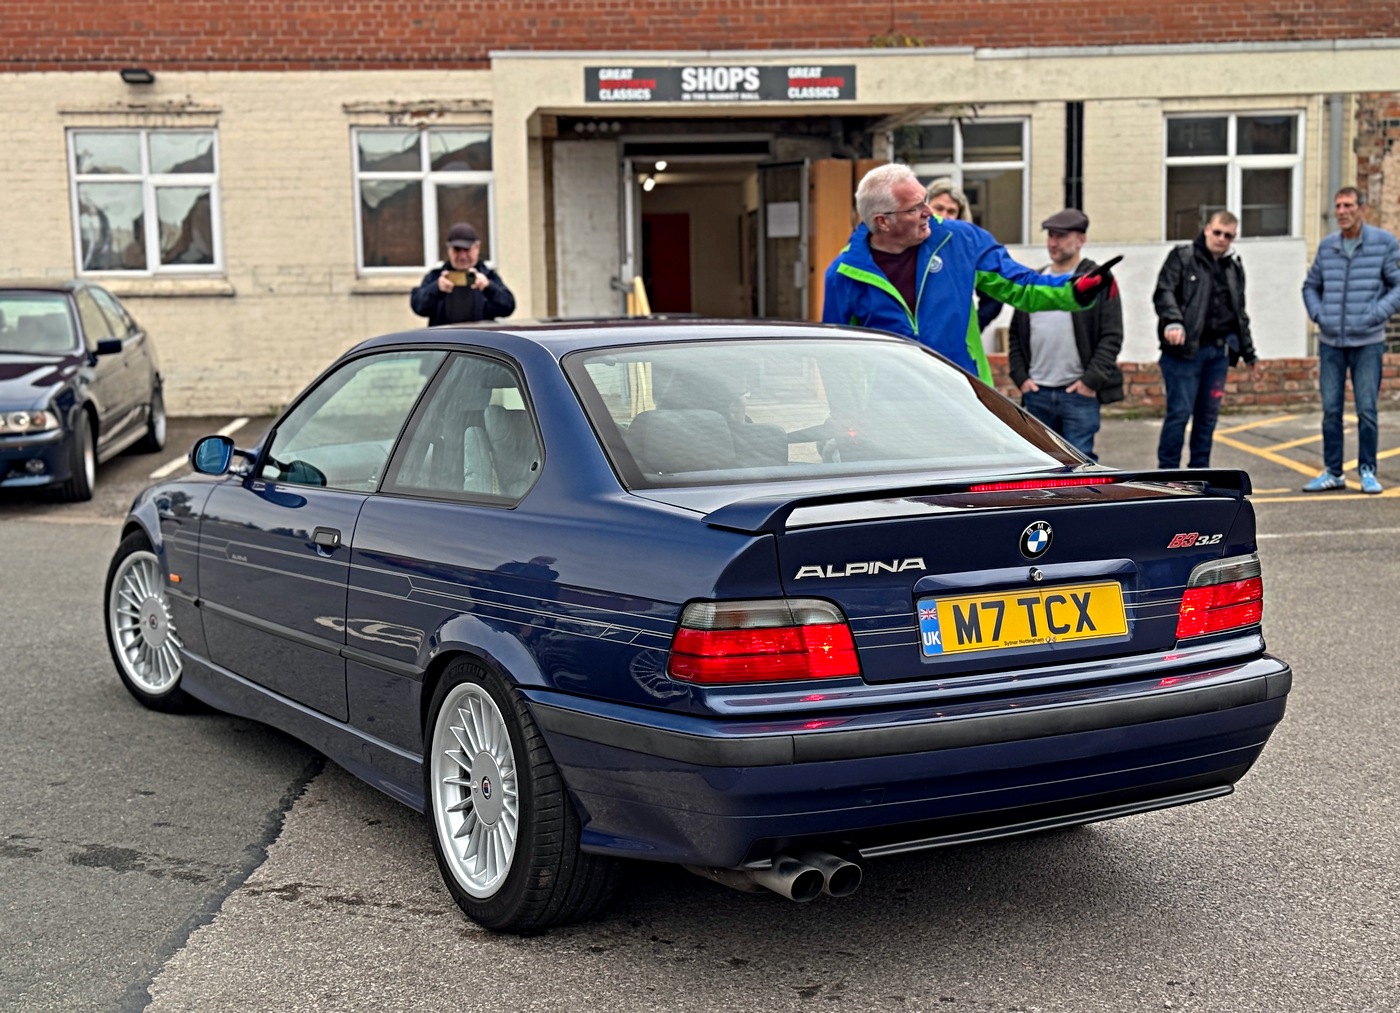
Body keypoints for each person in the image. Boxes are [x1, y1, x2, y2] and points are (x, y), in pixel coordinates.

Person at [823, 164, 1119, 385]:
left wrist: (1074, 290)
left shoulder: (962, 240)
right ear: (883, 222)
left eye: (926, 199)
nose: (930, 212)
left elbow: (1022, 287)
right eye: (915, 208)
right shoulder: (844, 275)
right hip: (890, 411)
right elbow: (838, 359)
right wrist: (848, 422)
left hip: (964, 392)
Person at [1301, 187, 1400, 494]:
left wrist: (1375, 313)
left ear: (1361, 209)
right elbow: (1310, 286)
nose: (1341, 211)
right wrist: (1320, 315)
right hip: (1331, 341)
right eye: (1338, 206)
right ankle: (1333, 472)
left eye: (1347, 205)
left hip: (1368, 341)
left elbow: (1397, 286)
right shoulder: (1328, 246)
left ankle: (1367, 470)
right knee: (1331, 410)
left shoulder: (1383, 243)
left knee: (1366, 410)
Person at [1007, 208, 1123, 461]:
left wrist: (1090, 382)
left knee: (1080, 471)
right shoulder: (1035, 281)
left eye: (1061, 236)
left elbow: (1112, 335)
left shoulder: (1097, 281)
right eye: (1050, 235)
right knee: (1039, 469)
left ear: (1081, 240)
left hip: (1077, 395)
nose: (1052, 242)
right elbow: (1016, 334)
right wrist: (1021, 377)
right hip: (1036, 394)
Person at [1152, 210, 1262, 469]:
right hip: (1183, 354)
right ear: (1206, 230)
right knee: (1179, 415)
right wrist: (1173, 321)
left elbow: (1239, 312)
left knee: (1207, 418)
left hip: (1218, 354)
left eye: (1228, 235)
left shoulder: (1233, 268)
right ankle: (1166, 474)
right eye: (1217, 232)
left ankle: (1200, 473)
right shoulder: (1182, 257)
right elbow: (1164, 293)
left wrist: (1249, 353)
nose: (1222, 239)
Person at [924, 177, 1003, 333]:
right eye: (938, 208)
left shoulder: (968, 251)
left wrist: (973, 328)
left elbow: (994, 297)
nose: (945, 215)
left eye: (951, 211)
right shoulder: (909, 244)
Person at [410, 222, 515, 326]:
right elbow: (418, 306)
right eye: (457, 250)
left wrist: (488, 287)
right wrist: (436, 288)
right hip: (444, 341)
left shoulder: (488, 276)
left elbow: (508, 307)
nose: (462, 256)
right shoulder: (436, 277)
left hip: (477, 341)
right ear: (448, 249)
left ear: (477, 247)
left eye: (466, 250)